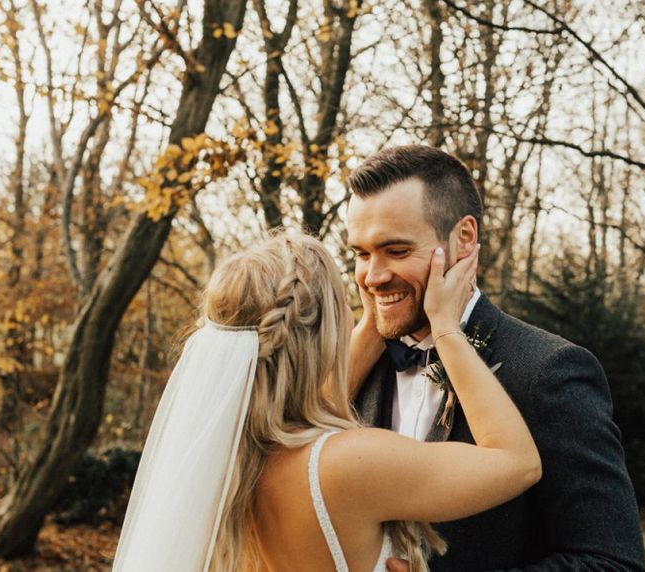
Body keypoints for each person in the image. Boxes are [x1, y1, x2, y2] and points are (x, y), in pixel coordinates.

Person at [113, 231, 541, 571]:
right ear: (322, 337)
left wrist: (379, 318)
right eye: (345, 307)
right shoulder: (346, 463)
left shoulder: (226, 464)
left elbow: (316, 403)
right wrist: (446, 328)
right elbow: (515, 461)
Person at [346, 144, 645, 571]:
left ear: (464, 239)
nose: (373, 276)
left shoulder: (550, 372)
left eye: (396, 251)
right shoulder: (354, 370)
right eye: (360, 254)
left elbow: (615, 564)